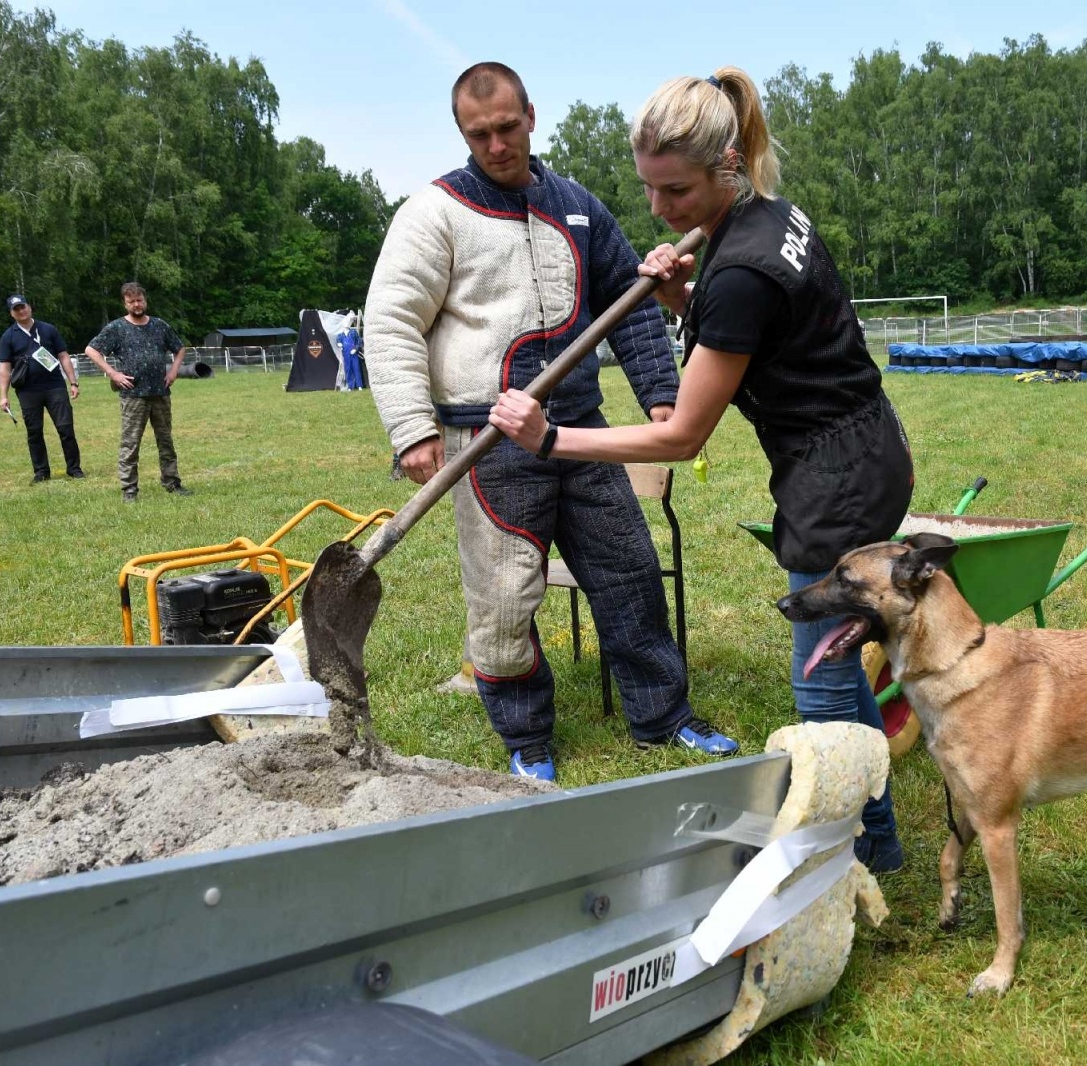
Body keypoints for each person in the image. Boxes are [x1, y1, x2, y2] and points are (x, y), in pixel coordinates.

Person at [489, 68, 914, 871]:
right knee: (840, 648)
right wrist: (684, 298)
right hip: (868, 446)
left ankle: (849, 855)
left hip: (836, 480)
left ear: (725, 163)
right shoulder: (768, 218)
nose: (660, 210)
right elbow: (762, 339)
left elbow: (682, 435)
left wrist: (551, 440)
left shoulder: (744, 266)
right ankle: (879, 835)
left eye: (675, 191)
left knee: (820, 679)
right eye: (650, 190)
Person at [364, 61, 738, 782]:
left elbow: (626, 301)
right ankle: (527, 738)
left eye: (507, 127)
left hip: (579, 429)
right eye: (480, 134)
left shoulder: (578, 206)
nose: (497, 144)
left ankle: (664, 716)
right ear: (462, 133)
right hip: (486, 439)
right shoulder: (434, 212)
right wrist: (411, 427)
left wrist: (661, 392)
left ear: (530, 115)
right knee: (504, 598)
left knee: (630, 573)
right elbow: (390, 322)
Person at [82, 282, 193, 502]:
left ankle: (172, 482)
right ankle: (129, 490)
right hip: (133, 396)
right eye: (131, 301)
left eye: (139, 300)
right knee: (130, 444)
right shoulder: (116, 328)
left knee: (166, 441)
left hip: (160, 393)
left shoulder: (160, 325)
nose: (136, 304)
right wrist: (113, 374)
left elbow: (180, 348)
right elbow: (91, 350)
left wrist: (173, 371)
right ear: (125, 303)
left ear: (145, 300)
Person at [0, 295, 84, 483]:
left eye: (23, 306)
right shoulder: (8, 336)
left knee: (66, 428)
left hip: (55, 387)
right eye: (16, 309)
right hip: (28, 391)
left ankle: (74, 469)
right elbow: (4, 368)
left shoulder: (48, 329)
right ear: (12, 313)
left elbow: (63, 356)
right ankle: (41, 471)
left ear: (30, 307)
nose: (21, 311)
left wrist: (73, 382)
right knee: (34, 431)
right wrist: (3, 396)